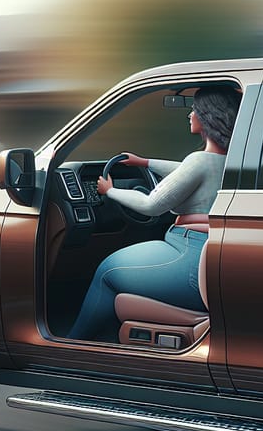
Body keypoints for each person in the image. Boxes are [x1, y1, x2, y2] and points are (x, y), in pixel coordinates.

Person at [67, 85, 242, 342]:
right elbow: (186, 170)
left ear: (208, 116)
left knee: (106, 271)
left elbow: (152, 205)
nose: (190, 114)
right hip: (209, 254)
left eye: (195, 109)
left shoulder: (200, 161)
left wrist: (110, 191)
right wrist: (145, 163)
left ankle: (74, 343)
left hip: (189, 254)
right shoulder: (232, 162)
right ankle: (109, 344)